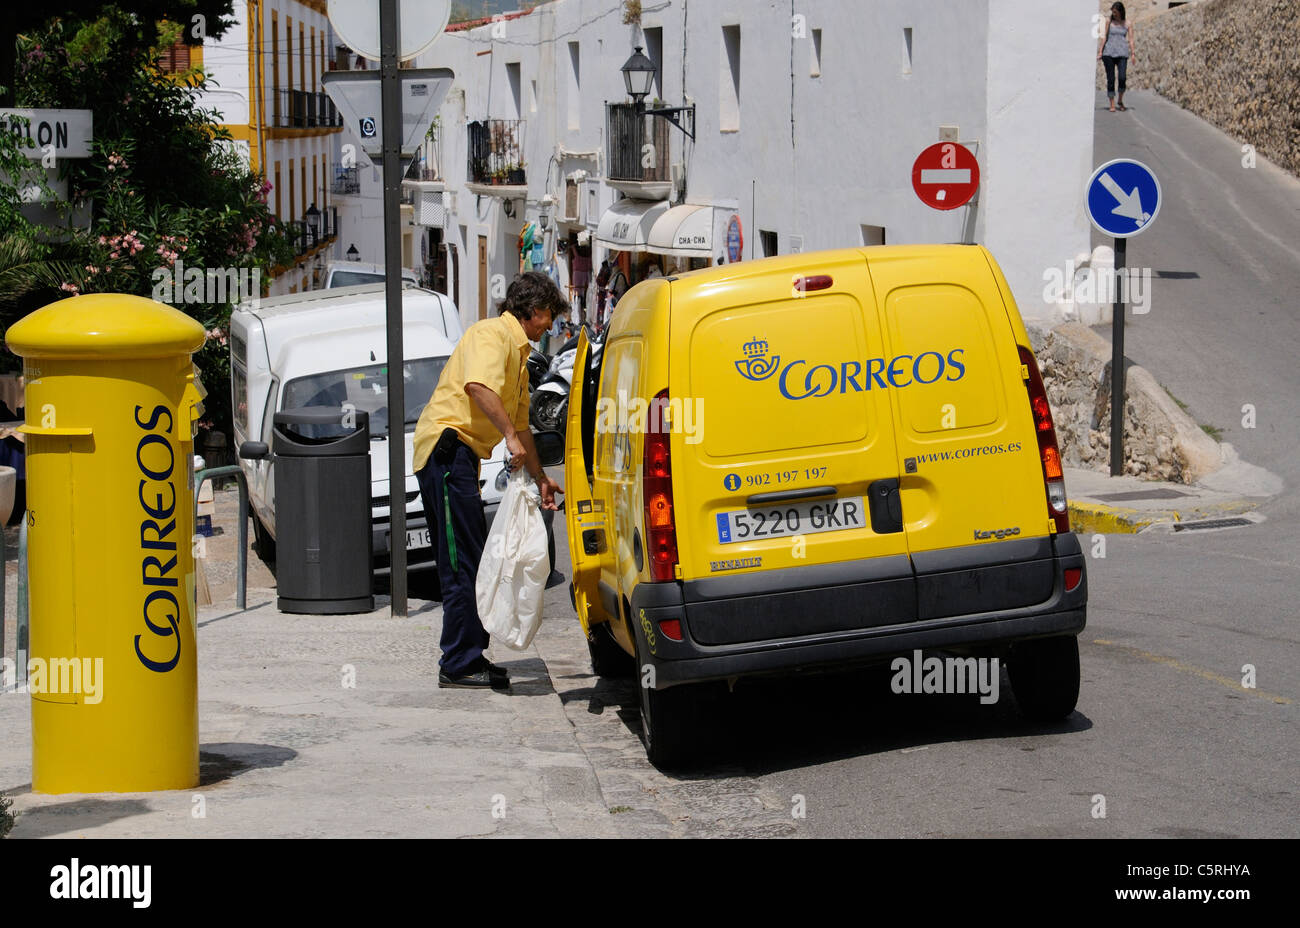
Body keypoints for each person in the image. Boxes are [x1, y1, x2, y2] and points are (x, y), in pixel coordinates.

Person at [412, 271, 567, 689]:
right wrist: (511, 438)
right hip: (446, 453)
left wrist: (541, 479)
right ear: (533, 310)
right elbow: (478, 387)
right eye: (548, 315)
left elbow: (522, 426)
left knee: (475, 557)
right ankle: (458, 662)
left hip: (461, 460)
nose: (550, 325)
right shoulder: (491, 335)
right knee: (461, 559)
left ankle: (470, 655)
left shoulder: (517, 354)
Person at [1098, 2, 1135, 113]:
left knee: (1122, 77)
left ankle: (1120, 100)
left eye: (1115, 12)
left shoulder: (1127, 23)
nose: (1114, 14)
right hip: (1108, 53)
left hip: (1122, 53)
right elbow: (1104, 37)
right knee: (1111, 78)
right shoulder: (1109, 22)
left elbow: (1131, 40)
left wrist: (1133, 53)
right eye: (1112, 12)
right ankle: (1112, 103)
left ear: (1120, 11)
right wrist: (1100, 51)